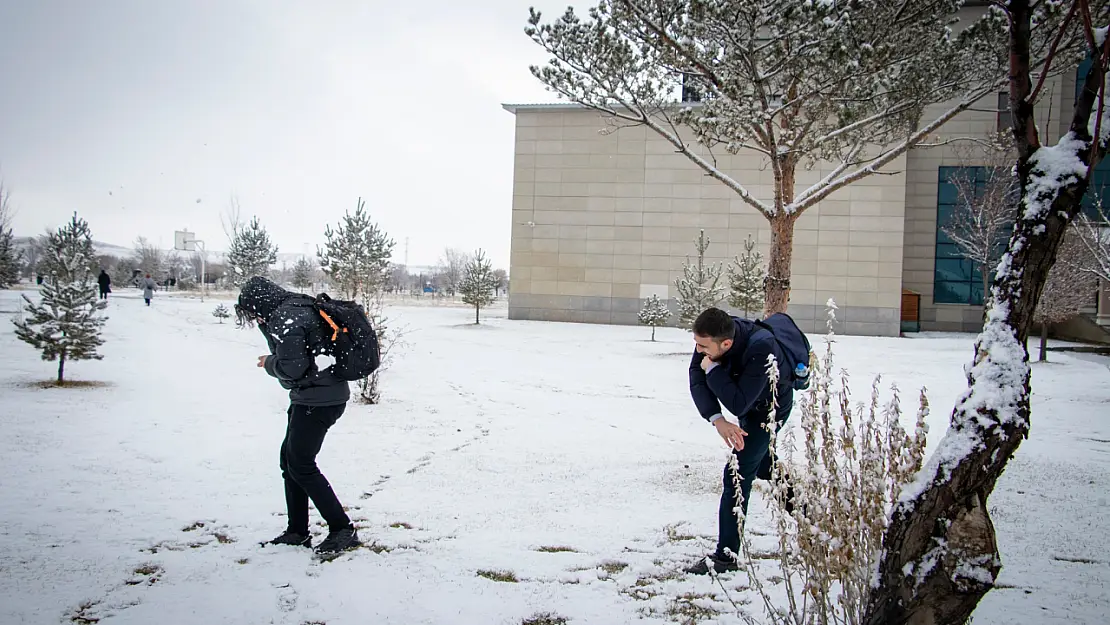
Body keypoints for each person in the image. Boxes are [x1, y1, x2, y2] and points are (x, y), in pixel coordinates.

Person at [235, 276, 360, 555]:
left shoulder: (285, 317)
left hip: (318, 399)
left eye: (253, 311)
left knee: (300, 464)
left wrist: (269, 363)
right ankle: (297, 531)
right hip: (316, 395)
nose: (254, 317)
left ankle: (342, 529)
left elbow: (293, 368)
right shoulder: (296, 306)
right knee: (290, 461)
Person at [685, 307, 795, 575]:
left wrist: (712, 370)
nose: (698, 351)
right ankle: (802, 507)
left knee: (737, 473)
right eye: (696, 344)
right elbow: (696, 379)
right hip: (747, 403)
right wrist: (716, 419)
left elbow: (739, 401)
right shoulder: (711, 338)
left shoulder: (762, 348)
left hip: (769, 411)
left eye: (703, 347)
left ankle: (726, 556)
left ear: (726, 343)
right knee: (760, 464)